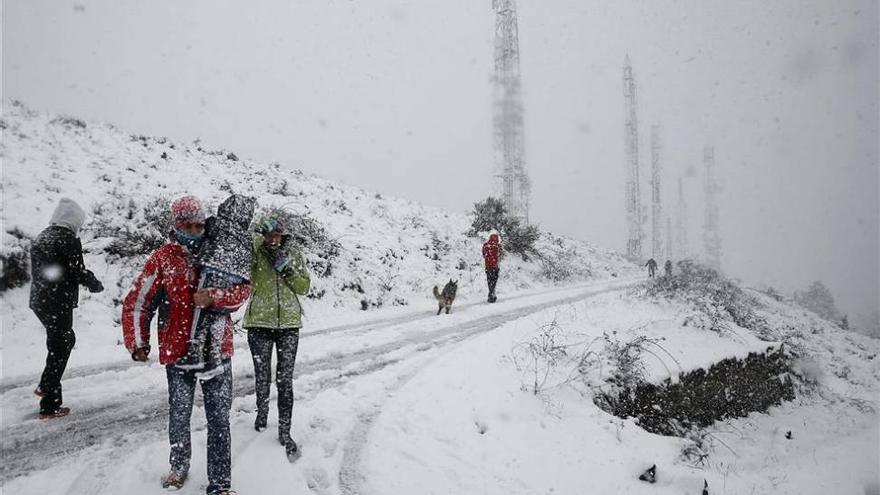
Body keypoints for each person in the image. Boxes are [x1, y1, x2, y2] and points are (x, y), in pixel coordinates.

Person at [122, 195, 250, 495]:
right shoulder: (163, 258)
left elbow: (243, 290)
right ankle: (179, 467)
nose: (194, 231)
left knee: (219, 419)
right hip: (177, 354)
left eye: (198, 225)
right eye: (186, 225)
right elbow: (139, 302)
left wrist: (215, 297)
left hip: (217, 351)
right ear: (175, 226)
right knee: (179, 415)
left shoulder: (223, 251)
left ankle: (220, 484)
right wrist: (138, 342)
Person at [29, 198, 104, 419]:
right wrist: (94, 284)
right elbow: (77, 271)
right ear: (72, 220)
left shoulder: (42, 236)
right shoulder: (67, 239)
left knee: (59, 343)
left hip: (41, 301)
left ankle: (48, 399)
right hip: (58, 301)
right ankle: (47, 390)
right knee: (63, 344)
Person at [243, 216, 310, 461]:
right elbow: (244, 277)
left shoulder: (293, 253)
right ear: (262, 235)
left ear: (283, 235)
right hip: (259, 323)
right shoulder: (254, 252)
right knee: (262, 376)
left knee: (285, 379)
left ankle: (284, 429)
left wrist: (287, 269)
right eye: (268, 235)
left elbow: (304, 287)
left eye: (277, 235)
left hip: (289, 325)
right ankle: (262, 414)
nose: (272, 239)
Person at [176, 194, 255, 380]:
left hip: (212, 267)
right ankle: (213, 358)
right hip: (234, 277)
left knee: (201, 311)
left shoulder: (218, 225)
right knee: (218, 314)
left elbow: (206, 230)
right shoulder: (245, 237)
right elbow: (248, 260)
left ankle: (195, 350)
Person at [482, 231, 502, 303]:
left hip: (488, 267)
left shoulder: (485, 245)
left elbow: (483, 254)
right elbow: (500, 255)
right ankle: (492, 295)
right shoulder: (498, 245)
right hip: (495, 267)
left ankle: (491, 294)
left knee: (489, 281)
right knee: (494, 281)